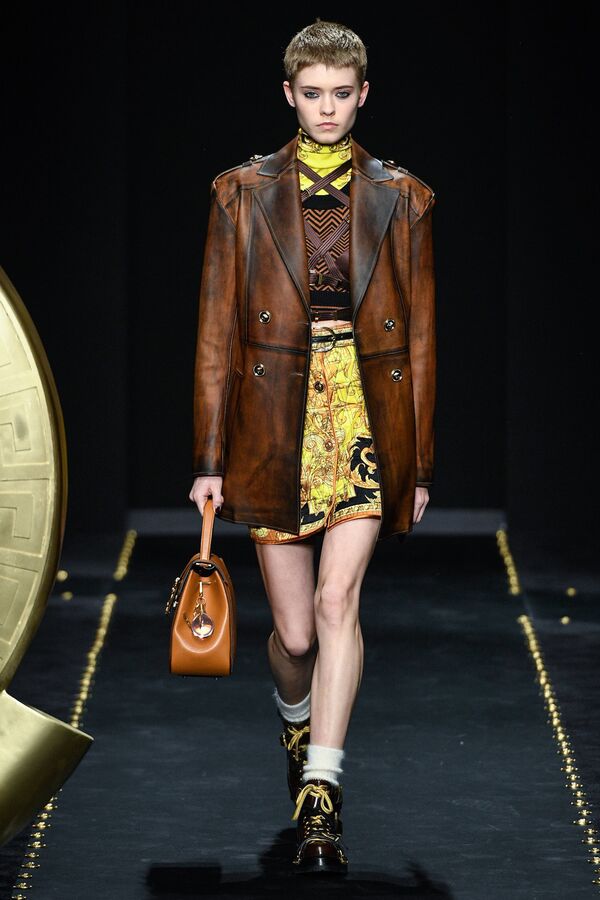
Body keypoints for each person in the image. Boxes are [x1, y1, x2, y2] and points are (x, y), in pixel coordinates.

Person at [189, 19, 436, 874]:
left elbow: (422, 339)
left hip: (365, 414)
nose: (327, 109)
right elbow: (216, 335)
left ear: (363, 95)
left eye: (341, 94)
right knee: (294, 637)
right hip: (273, 420)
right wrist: (208, 461)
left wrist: (419, 463)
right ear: (289, 94)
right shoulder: (240, 193)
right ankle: (297, 731)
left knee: (338, 605)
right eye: (312, 94)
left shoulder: (404, 197)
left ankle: (323, 798)